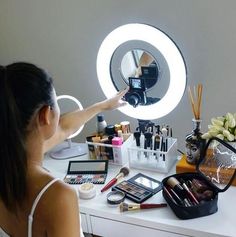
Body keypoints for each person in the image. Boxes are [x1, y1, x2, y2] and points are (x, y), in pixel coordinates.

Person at [0, 62, 128, 237]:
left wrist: (102, 106)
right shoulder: (58, 196)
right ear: (45, 115)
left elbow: (64, 127)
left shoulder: (10, 161)